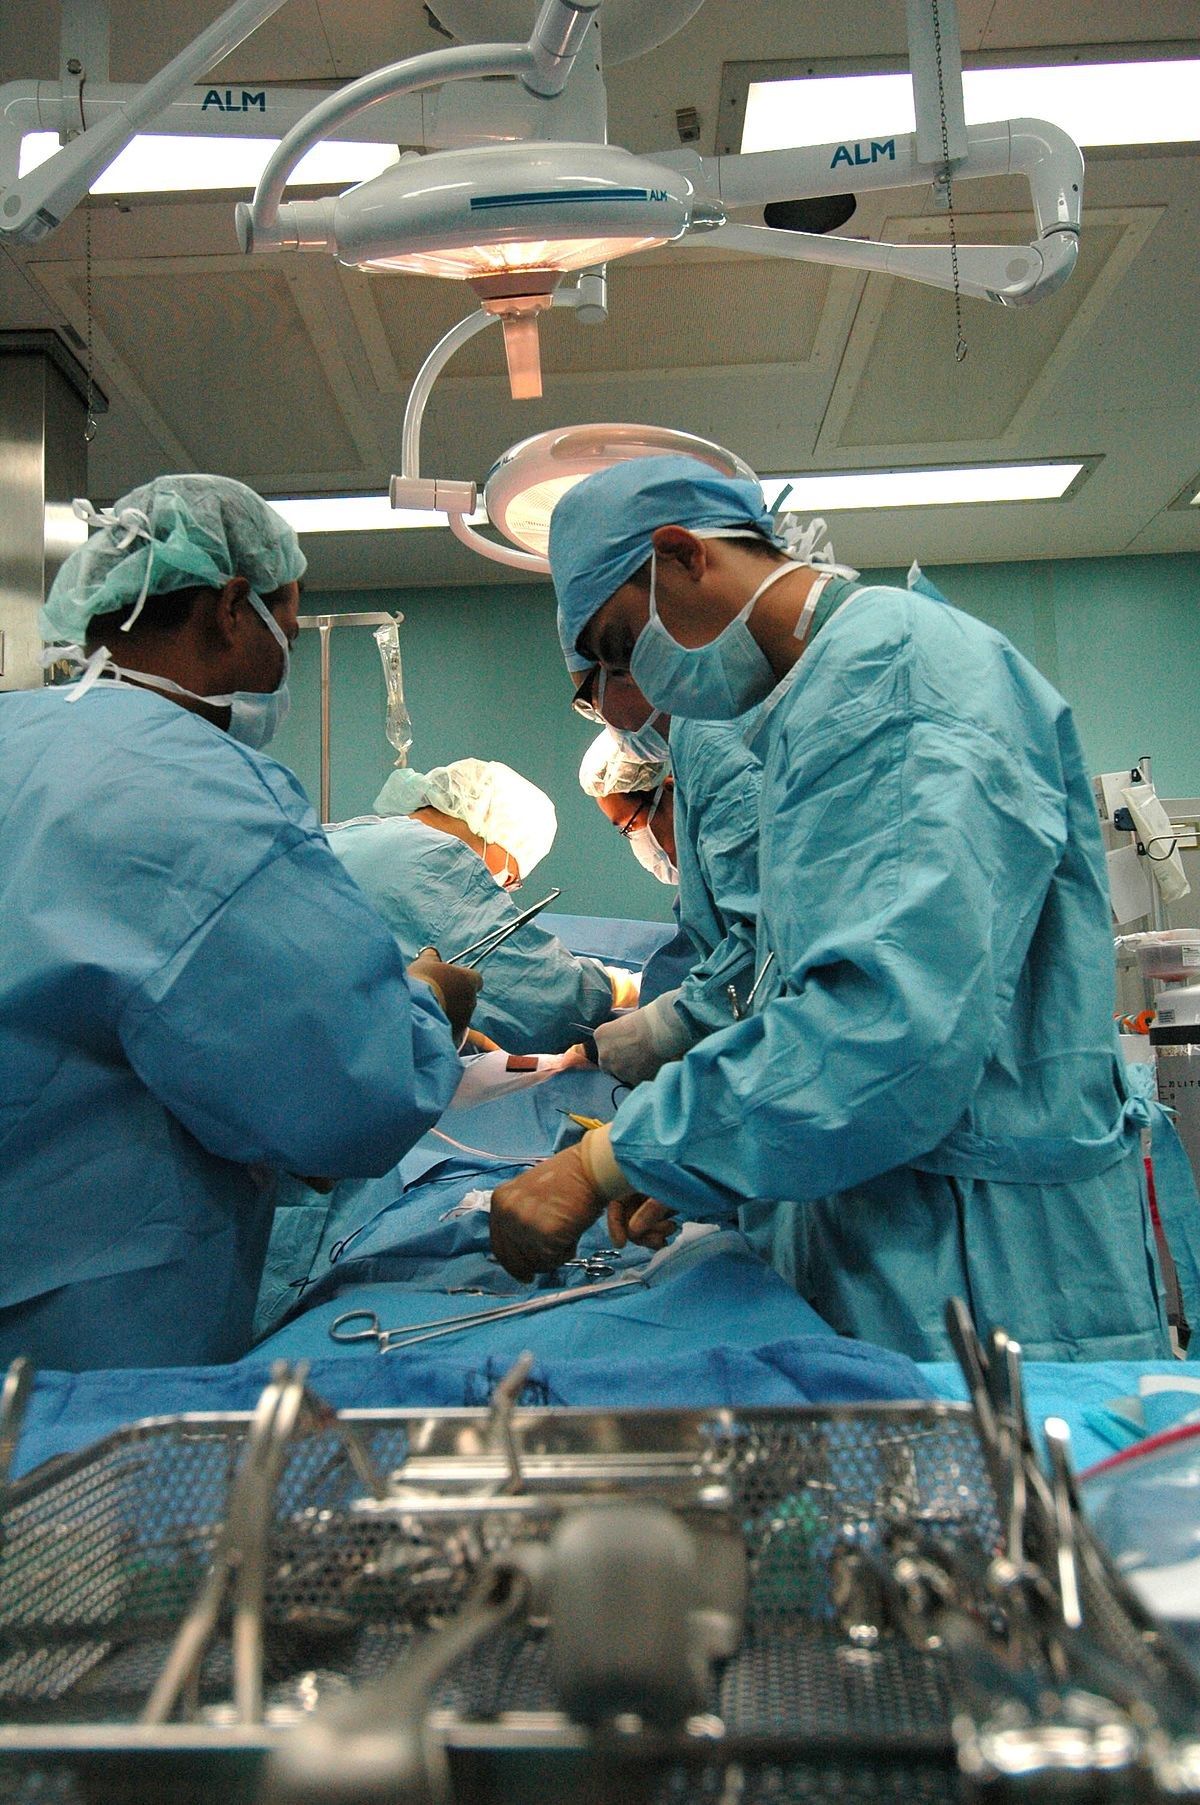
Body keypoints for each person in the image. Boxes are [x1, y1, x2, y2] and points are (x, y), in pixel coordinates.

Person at [489, 455, 1170, 1363]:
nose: (625, 696)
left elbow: (886, 1032)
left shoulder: (895, 681)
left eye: (621, 646)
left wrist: (612, 1157)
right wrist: (712, 1165)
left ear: (683, 554)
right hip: (905, 1230)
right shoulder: (815, 703)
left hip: (993, 1271)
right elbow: (791, 990)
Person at [0, 474, 477, 1371]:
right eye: (285, 632)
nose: (284, 663)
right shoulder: (195, 789)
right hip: (76, 1349)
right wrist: (424, 1001)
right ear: (230, 610)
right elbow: (342, 1100)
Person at [327, 758, 630, 1053]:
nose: (502, 887)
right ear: (493, 832)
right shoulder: (443, 864)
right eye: (512, 877)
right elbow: (555, 1006)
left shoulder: (342, 836)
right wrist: (620, 986)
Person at [577, 720, 762, 1086]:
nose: (635, 841)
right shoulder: (698, 901)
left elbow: (754, 965)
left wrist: (660, 1027)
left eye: (628, 826)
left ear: (672, 790)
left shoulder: (745, 873)